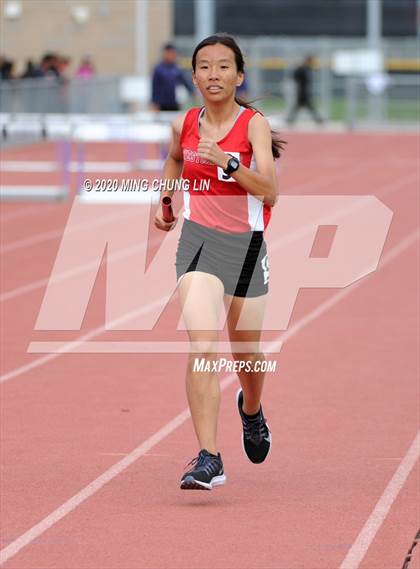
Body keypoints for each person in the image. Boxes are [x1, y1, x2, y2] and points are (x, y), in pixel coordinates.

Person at [154, 34, 284, 490]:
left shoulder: (254, 126)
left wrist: (228, 164)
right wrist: (165, 199)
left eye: (223, 67)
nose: (214, 74)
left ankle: (251, 410)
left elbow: (269, 192)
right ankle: (209, 456)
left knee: (247, 354)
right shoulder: (185, 123)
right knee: (203, 347)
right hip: (198, 246)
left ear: (239, 76)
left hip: (246, 247)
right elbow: (173, 162)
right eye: (205, 67)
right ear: (193, 77)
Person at [151, 43, 193, 111]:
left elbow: (185, 82)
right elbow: (155, 87)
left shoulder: (177, 68)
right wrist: (155, 103)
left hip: (175, 103)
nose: (172, 55)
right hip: (161, 104)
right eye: (170, 53)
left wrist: (192, 92)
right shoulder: (158, 69)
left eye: (173, 53)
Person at [286, 55, 323, 125]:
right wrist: (298, 67)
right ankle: (319, 120)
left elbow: (315, 69)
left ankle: (289, 120)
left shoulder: (307, 68)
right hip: (301, 92)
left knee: (301, 107)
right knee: (307, 107)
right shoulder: (301, 69)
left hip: (305, 91)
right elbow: (294, 76)